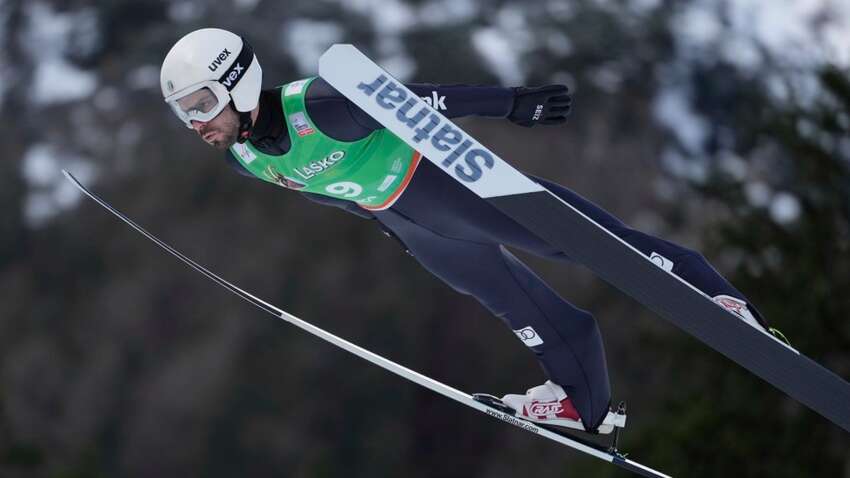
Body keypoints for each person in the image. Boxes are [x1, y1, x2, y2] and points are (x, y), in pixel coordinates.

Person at [159, 28, 772, 434]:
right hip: (417, 226)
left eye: (199, 103)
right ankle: (583, 402)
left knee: (587, 242)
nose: (194, 122)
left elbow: (418, 100)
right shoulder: (249, 159)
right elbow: (335, 193)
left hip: (451, 187)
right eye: (184, 111)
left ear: (235, 80)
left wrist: (508, 103)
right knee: (518, 307)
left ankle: (715, 297)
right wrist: (392, 229)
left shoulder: (318, 105)